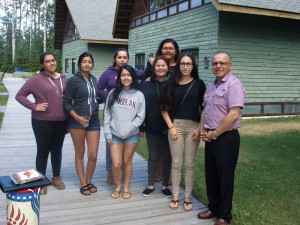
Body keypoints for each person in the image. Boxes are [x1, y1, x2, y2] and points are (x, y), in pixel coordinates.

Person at [197, 52, 245, 225]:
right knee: (211, 176)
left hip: (226, 139)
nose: (218, 66)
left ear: (230, 65)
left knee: (224, 178)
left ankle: (224, 216)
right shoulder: (211, 86)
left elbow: (233, 114)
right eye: (215, 63)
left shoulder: (234, 85)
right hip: (210, 137)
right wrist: (203, 129)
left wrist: (214, 134)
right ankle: (214, 208)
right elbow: (205, 109)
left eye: (222, 63)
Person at [15, 51, 68, 195]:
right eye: (48, 61)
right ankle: (41, 180)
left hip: (62, 121)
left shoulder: (63, 78)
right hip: (42, 121)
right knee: (43, 151)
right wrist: (34, 106)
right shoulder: (36, 79)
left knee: (57, 150)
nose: (52, 63)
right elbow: (19, 95)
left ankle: (56, 177)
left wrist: (69, 120)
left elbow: (68, 99)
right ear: (42, 64)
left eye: (53, 60)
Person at [161, 54, 206, 211]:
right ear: (178, 66)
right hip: (176, 127)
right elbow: (164, 109)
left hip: (194, 127)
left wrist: (200, 128)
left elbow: (204, 109)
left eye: (189, 64)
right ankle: (175, 196)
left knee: (189, 164)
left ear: (193, 66)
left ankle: (187, 197)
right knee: (176, 163)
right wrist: (171, 127)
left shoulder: (199, 84)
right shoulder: (171, 83)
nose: (185, 66)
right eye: (183, 63)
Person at [97, 48, 145, 185]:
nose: (122, 59)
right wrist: (111, 98)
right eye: (119, 57)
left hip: (129, 117)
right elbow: (99, 88)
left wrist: (150, 63)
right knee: (111, 149)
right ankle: (110, 172)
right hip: (114, 110)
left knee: (126, 157)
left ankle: (123, 173)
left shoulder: (132, 72)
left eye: (125, 57)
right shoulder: (107, 73)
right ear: (115, 58)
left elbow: (146, 74)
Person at [104, 64, 145, 199]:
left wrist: (129, 128)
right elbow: (107, 114)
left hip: (131, 135)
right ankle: (117, 186)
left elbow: (140, 116)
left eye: (128, 75)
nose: (126, 78)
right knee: (116, 164)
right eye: (123, 75)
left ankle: (126, 187)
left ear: (132, 77)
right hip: (115, 134)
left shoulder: (139, 95)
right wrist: (108, 132)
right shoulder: (112, 93)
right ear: (119, 77)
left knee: (127, 162)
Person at [63, 52, 100, 195]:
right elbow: (66, 102)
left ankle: (89, 180)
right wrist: (77, 117)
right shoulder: (73, 81)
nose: (87, 64)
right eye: (84, 61)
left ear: (92, 64)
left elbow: (95, 98)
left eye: (90, 62)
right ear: (79, 64)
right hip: (77, 121)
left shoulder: (94, 79)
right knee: (80, 152)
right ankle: (82, 182)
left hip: (94, 121)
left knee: (93, 154)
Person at [144, 38, 180, 183]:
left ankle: (168, 175)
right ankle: (158, 172)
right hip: (154, 114)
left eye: (171, 48)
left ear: (176, 50)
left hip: (173, 112)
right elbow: (145, 77)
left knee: (169, 150)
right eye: (165, 48)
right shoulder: (154, 64)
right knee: (155, 151)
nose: (168, 50)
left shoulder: (179, 66)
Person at [140, 56, 172, 198]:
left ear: (168, 67)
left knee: (166, 157)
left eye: (163, 65)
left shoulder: (173, 83)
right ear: (154, 68)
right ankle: (151, 184)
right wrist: (141, 126)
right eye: (157, 65)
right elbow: (141, 107)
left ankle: (165, 185)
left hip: (169, 127)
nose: (160, 68)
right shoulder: (146, 84)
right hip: (151, 126)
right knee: (153, 156)